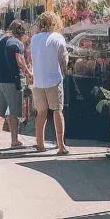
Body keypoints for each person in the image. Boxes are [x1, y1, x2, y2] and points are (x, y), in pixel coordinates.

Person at [0, 19, 31, 150]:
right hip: (11, 81)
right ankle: (14, 141)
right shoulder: (17, 43)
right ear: (21, 32)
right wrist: (28, 72)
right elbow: (19, 59)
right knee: (14, 113)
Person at [30, 12, 70, 155]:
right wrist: (65, 71)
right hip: (53, 79)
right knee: (57, 111)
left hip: (38, 81)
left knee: (41, 113)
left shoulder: (34, 38)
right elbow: (63, 59)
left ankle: (40, 143)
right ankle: (61, 146)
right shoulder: (58, 37)